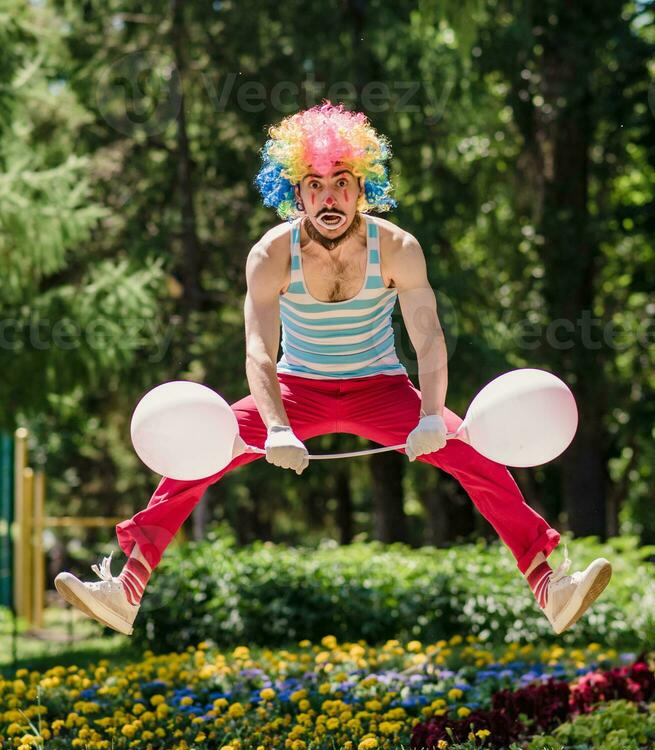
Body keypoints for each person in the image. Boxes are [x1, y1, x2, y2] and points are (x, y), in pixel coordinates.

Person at [55, 101, 612, 637]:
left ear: (363, 188)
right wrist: (274, 427)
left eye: (342, 182)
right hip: (297, 390)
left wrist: (429, 416)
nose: (329, 196)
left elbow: (430, 339)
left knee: (474, 455)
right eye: (315, 185)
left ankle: (549, 585)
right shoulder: (271, 254)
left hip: (383, 388)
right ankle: (127, 589)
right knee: (201, 451)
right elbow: (258, 352)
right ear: (294, 192)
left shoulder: (398, 248)